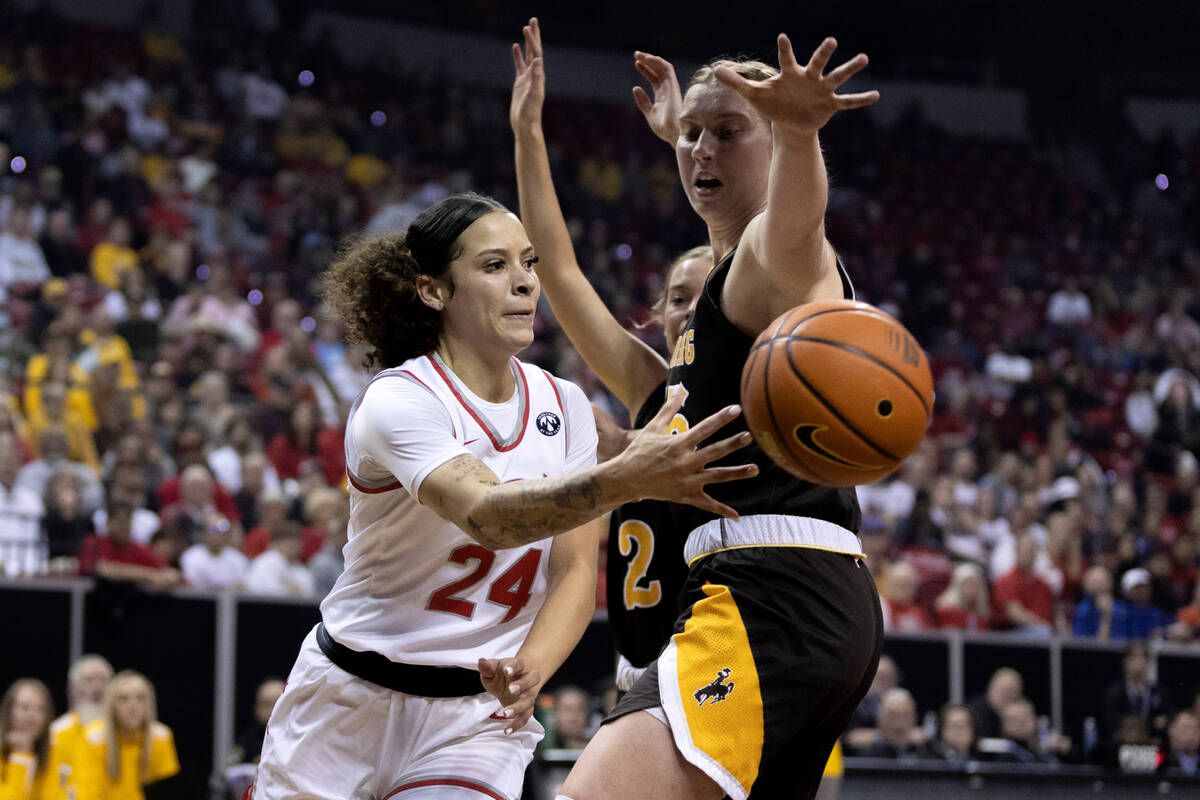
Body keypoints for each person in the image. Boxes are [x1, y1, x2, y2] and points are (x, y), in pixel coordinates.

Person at [252, 193, 753, 800]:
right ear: (434, 291)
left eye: (529, 262)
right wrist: (626, 476)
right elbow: (488, 516)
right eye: (495, 266)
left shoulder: (565, 406)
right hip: (346, 701)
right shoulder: (399, 400)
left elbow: (571, 571)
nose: (524, 283)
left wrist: (532, 668)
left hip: (472, 722)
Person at [510, 19, 882, 800]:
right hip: (778, 593)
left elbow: (796, 224)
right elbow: (567, 281)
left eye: (726, 133)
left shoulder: (773, 262)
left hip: (773, 587)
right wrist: (527, 136)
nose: (700, 150)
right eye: (691, 136)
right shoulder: (690, 343)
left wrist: (798, 134)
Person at [76, 671, 179, 800]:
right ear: (112, 705)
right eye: (124, 698)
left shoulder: (161, 737)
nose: (132, 705)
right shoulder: (94, 738)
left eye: (140, 698)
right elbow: (88, 794)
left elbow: (169, 792)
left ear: (149, 704)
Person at [50, 656, 113, 799]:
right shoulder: (56, 732)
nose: (97, 687)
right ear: (73, 688)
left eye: (102, 679)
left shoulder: (123, 732)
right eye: (88, 680)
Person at [0, 679, 58, 800]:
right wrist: (21, 756)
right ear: (9, 712)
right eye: (24, 707)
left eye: (40, 709)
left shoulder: (55, 752)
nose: (32, 715)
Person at [230, 680, 285, 765]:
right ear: (256, 708)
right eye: (266, 704)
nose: (272, 710)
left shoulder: (298, 740)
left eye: (277, 703)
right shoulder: (245, 746)